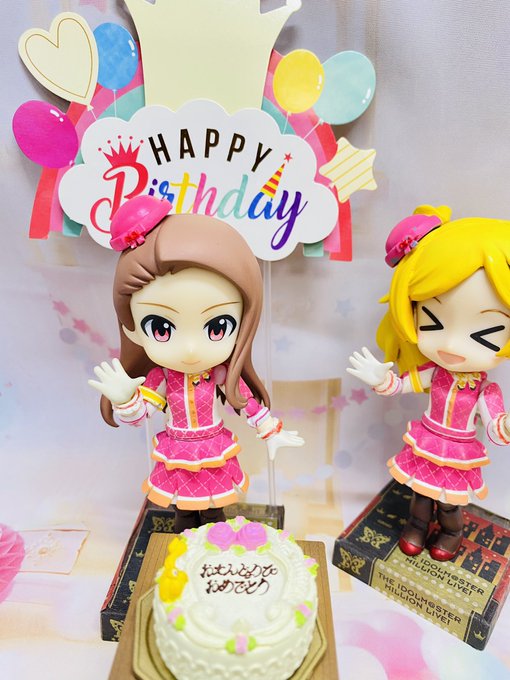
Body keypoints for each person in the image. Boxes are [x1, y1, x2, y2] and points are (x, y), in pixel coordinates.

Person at [90, 195, 303, 532]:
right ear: (133, 328)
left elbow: (245, 402)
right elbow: (140, 416)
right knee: (184, 515)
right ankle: (186, 547)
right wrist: (125, 399)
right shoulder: (161, 377)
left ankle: (212, 546)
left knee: (214, 513)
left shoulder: (220, 373)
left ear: (244, 322)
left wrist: (270, 432)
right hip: (177, 451)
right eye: (162, 328)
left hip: (213, 447)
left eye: (217, 327)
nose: (190, 349)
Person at [348, 205, 510, 561]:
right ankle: (417, 526)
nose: (450, 345)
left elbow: (496, 427)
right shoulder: (434, 373)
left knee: (449, 504)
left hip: (458, 452)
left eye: (484, 334)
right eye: (432, 321)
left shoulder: (486, 390)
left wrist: (505, 425)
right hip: (427, 441)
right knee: (420, 495)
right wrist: (382, 379)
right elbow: (401, 385)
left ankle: (451, 532)